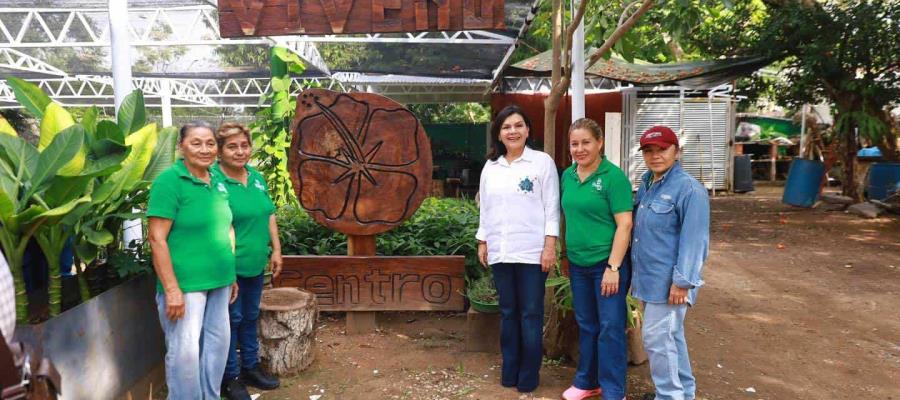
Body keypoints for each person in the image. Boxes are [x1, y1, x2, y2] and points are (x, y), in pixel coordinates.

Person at [148, 121, 239, 400]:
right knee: (184, 352)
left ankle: (209, 396)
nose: (204, 149)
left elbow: (228, 227)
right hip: (186, 285)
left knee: (218, 344)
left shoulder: (218, 179)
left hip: (220, 280)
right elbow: (156, 238)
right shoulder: (169, 181)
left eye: (210, 143)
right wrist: (172, 289)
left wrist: (231, 273)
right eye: (196, 143)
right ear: (181, 146)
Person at [475, 105, 560, 394]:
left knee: (531, 313)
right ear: (498, 133)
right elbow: (485, 208)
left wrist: (550, 246)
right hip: (501, 251)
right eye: (506, 127)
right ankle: (509, 368)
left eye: (518, 125)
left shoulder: (541, 163)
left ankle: (529, 374)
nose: (513, 131)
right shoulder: (491, 166)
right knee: (509, 312)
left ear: (527, 130)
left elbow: (552, 208)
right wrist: (483, 240)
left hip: (532, 253)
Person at [631, 126, 709, 400]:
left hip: (671, 284)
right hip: (649, 279)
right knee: (670, 338)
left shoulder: (689, 189)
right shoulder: (647, 184)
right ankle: (683, 393)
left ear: (677, 151)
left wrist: (682, 282)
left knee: (656, 339)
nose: (655, 156)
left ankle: (669, 396)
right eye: (649, 151)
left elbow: (695, 240)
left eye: (662, 149)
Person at [560, 119, 633, 400]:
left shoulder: (613, 178)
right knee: (587, 324)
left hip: (607, 264)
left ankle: (614, 389)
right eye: (574, 144)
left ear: (599, 142)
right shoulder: (567, 176)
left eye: (585, 142)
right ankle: (587, 381)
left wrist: (613, 267)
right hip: (578, 265)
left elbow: (625, 225)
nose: (580, 149)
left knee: (610, 327)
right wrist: (566, 255)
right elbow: (568, 217)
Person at [213, 123, 282, 399]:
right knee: (231, 319)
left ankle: (250, 366)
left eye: (244, 145)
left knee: (251, 316)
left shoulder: (256, 177)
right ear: (219, 151)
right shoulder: (215, 181)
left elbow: (269, 214)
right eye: (232, 146)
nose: (240, 152)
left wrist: (276, 250)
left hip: (255, 263)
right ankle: (230, 377)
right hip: (228, 266)